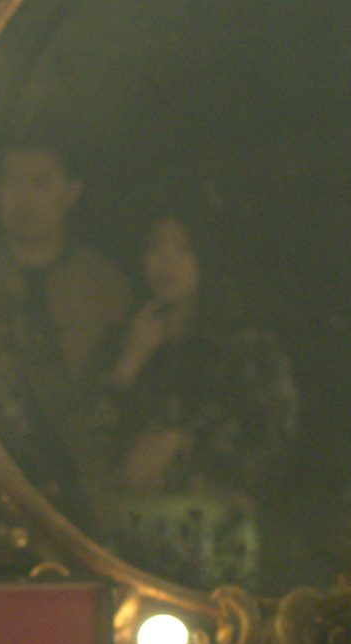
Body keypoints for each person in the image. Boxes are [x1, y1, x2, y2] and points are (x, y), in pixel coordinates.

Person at [84, 211, 298, 587]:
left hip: (218, 549)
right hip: (128, 550)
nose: (166, 263)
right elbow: (88, 444)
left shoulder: (245, 347)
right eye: (155, 247)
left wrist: (181, 445)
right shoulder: (122, 340)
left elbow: (272, 442)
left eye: (182, 249)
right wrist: (128, 364)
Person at [0, 138, 133, 506]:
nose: (24, 199)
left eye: (40, 183)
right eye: (11, 182)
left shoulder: (105, 287)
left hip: (91, 481)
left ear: (71, 193)